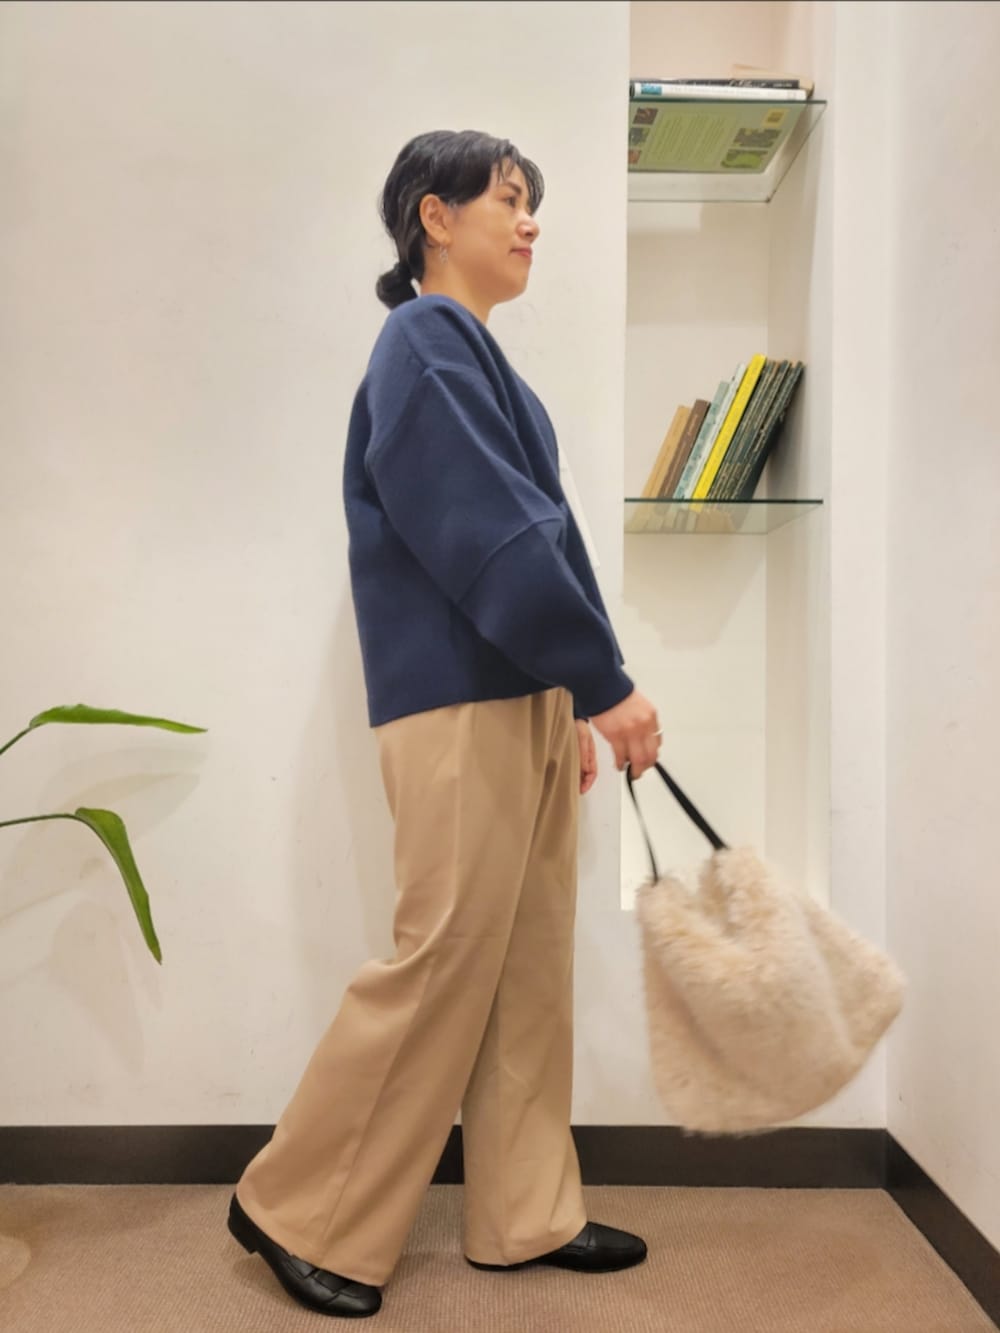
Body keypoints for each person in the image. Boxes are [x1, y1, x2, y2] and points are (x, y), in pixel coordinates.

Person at [227, 129, 662, 1319]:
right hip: (457, 701)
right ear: (435, 215)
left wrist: (566, 692)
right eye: (508, 200)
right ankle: (296, 1207)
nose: (530, 223)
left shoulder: (475, 358)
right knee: (444, 957)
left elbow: (533, 533)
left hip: (516, 696)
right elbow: (486, 533)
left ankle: (524, 1213)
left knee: (527, 964)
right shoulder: (423, 341)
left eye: (531, 204)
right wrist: (600, 679)